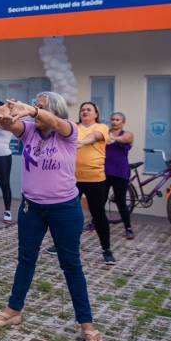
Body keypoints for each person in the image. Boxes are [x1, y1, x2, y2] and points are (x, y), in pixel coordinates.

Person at [0, 93, 104, 341]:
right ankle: (14, 310)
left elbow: (56, 123)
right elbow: (8, 123)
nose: (34, 111)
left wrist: (33, 111)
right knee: (26, 259)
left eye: (40, 107)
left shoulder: (68, 132)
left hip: (64, 209)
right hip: (32, 208)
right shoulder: (29, 131)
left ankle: (87, 324)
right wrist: (5, 113)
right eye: (34, 106)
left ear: (54, 110)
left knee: (71, 265)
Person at [65, 102, 115, 265]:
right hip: (72, 179)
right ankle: (62, 244)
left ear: (96, 114)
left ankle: (106, 250)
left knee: (98, 215)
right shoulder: (73, 127)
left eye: (89, 109)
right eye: (82, 109)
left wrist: (82, 142)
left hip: (95, 179)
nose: (85, 111)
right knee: (68, 214)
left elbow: (95, 137)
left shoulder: (102, 127)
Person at [106, 112, 135, 240]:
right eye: (113, 119)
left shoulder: (127, 134)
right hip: (104, 172)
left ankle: (128, 227)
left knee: (120, 201)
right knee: (100, 200)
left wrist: (112, 138)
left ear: (123, 123)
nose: (114, 121)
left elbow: (125, 139)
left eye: (117, 120)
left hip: (120, 172)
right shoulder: (105, 133)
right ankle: (95, 222)